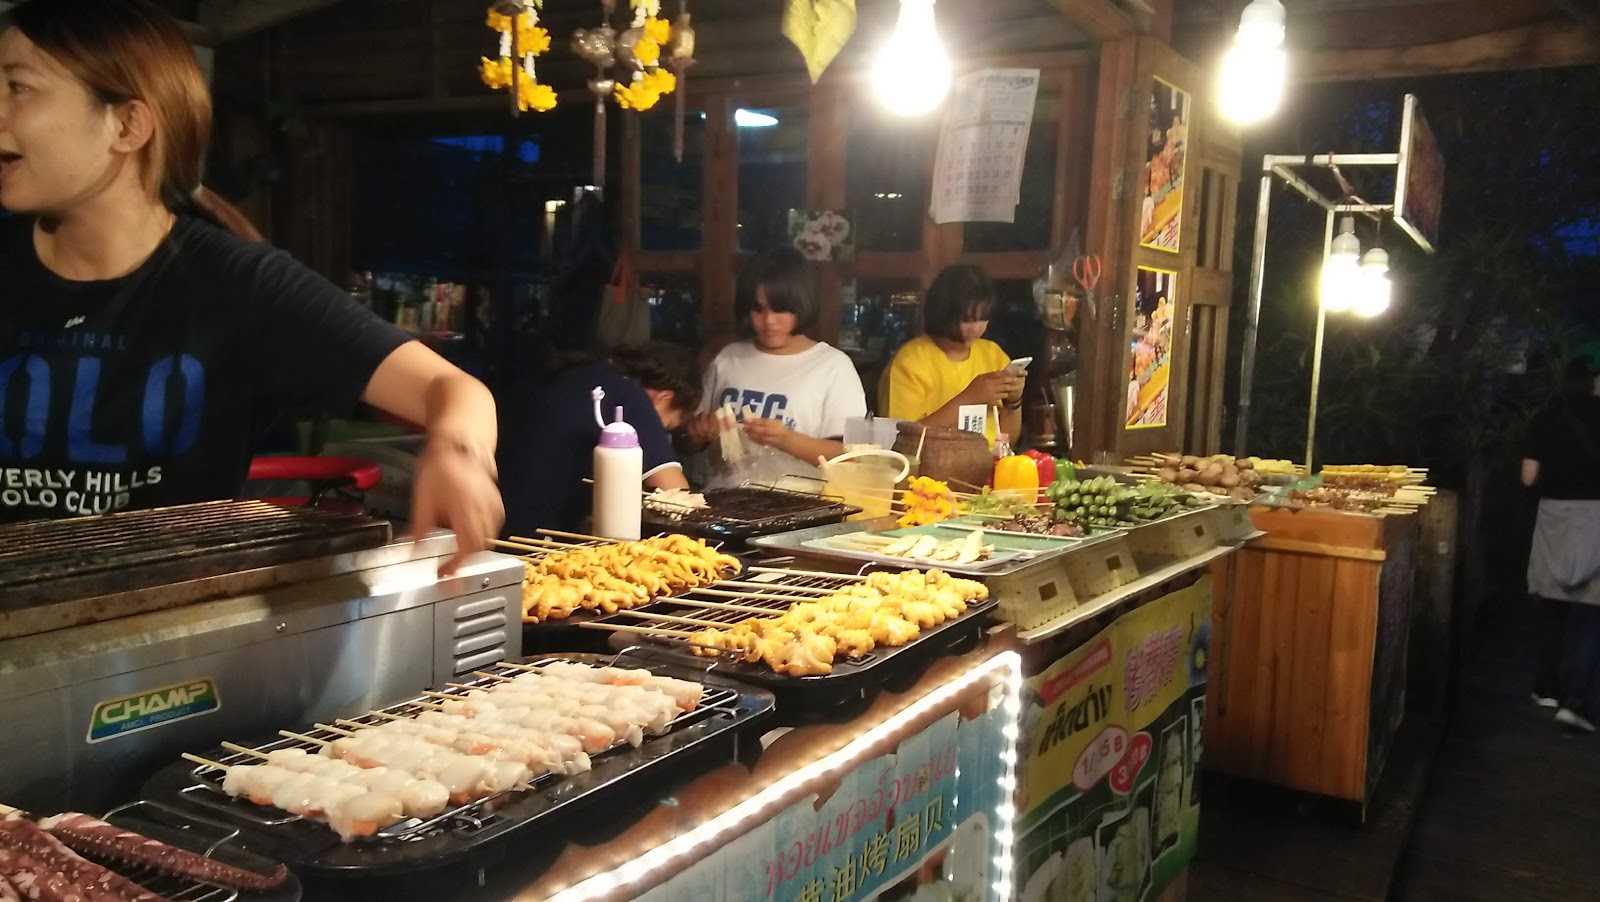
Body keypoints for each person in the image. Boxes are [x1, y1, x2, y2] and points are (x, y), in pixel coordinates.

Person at [0, 0, 502, 573]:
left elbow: (452, 389)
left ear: (127, 126)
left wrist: (458, 453)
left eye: (19, 87)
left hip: (171, 617)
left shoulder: (235, 283)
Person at [685, 248, 866, 489]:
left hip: (801, 504)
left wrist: (787, 439)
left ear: (802, 305)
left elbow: (850, 458)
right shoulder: (728, 358)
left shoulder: (833, 367)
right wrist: (698, 433)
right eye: (758, 309)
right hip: (724, 499)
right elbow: (688, 443)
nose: (769, 320)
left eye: (780, 308)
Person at [496, 342, 700, 538]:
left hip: (497, 521)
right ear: (664, 398)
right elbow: (677, 496)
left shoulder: (579, 375)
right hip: (536, 532)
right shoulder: (631, 398)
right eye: (667, 426)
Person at [1523, 357, 1600, 732]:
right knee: (1591, 612)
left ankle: (1545, 688)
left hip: (1553, 516)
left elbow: (1528, 477)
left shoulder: (1545, 418)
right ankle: (1576, 701)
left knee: (1550, 605)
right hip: (1596, 520)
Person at [881, 264, 1024, 446]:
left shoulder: (992, 354)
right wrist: (970, 398)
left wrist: (1013, 402)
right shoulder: (910, 362)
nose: (976, 328)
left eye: (983, 318)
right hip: (928, 462)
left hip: (989, 460)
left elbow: (1008, 440)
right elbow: (902, 441)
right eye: (966, 320)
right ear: (943, 312)